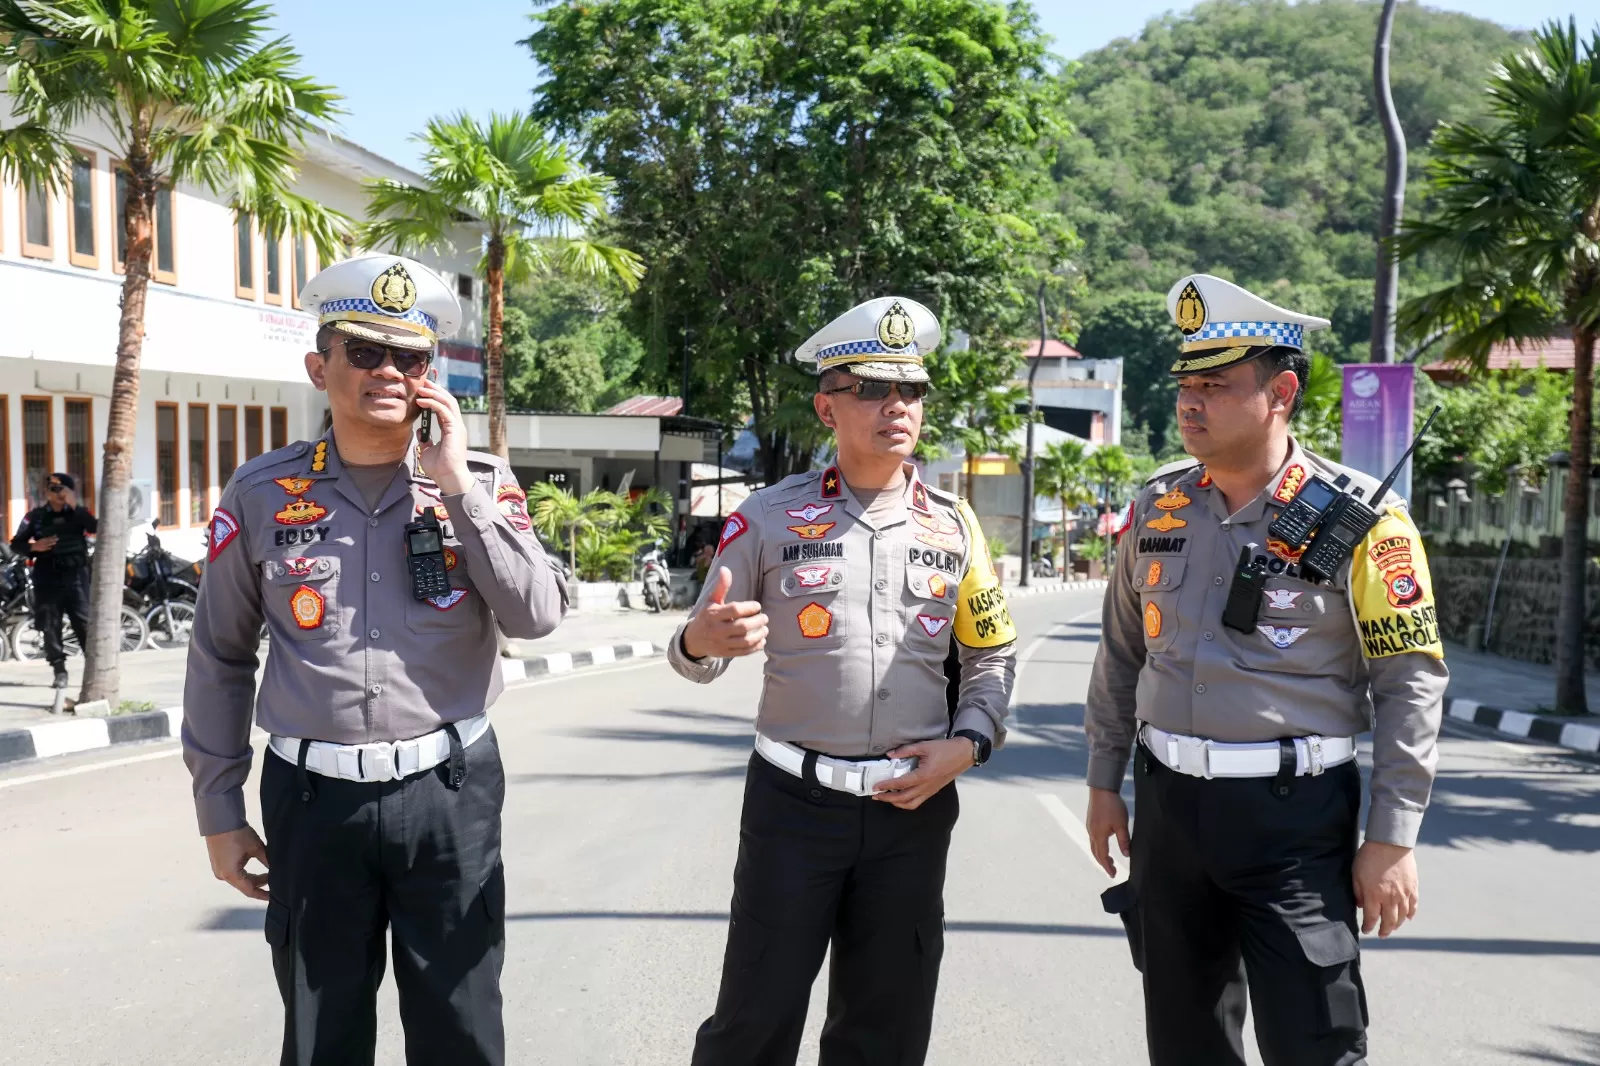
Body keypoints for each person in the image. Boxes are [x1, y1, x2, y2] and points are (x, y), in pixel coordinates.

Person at [180, 253, 569, 1066]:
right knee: (324, 1035)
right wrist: (219, 811)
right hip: (314, 801)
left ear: (433, 375)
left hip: (448, 792)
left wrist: (458, 487)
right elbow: (219, 656)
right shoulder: (260, 492)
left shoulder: (481, 486)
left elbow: (536, 615)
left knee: (461, 1030)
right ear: (320, 366)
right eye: (365, 351)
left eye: (411, 358)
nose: (389, 372)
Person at [1084, 273, 1450, 1066]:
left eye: (1214, 384)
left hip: (1295, 823)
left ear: (1280, 391)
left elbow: (1409, 684)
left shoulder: (1362, 518)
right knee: (1185, 1045)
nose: (1190, 401)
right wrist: (1104, 780)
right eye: (1185, 383)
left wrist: (1391, 837)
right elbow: (1121, 653)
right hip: (1170, 814)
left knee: (1315, 1043)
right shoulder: (1158, 508)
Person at [669, 296, 1017, 1066]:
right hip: (794, 807)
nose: (896, 407)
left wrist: (971, 743)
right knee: (752, 1024)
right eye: (871, 389)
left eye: (911, 391)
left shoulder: (955, 526)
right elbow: (698, 650)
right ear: (828, 407)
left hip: (912, 809)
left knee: (885, 1032)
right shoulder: (765, 516)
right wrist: (700, 639)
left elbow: (990, 658)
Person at [11, 473, 97, 688]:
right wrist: (33, 547)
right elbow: (16, 543)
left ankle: (93, 671)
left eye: (61, 489)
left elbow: (95, 528)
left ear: (69, 491)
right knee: (50, 625)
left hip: (76, 577)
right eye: (52, 489)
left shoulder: (79, 514)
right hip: (47, 578)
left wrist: (74, 505)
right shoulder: (36, 517)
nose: (56, 494)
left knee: (84, 623)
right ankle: (59, 671)